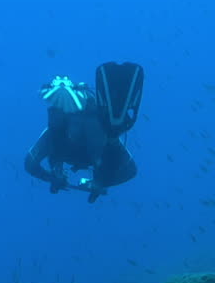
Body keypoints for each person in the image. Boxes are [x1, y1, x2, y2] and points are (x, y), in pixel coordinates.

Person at [24, 62, 144, 203]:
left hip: (90, 155)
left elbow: (30, 163)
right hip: (93, 155)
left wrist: (100, 182)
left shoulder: (98, 130)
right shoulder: (57, 132)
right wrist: (100, 182)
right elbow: (130, 171)